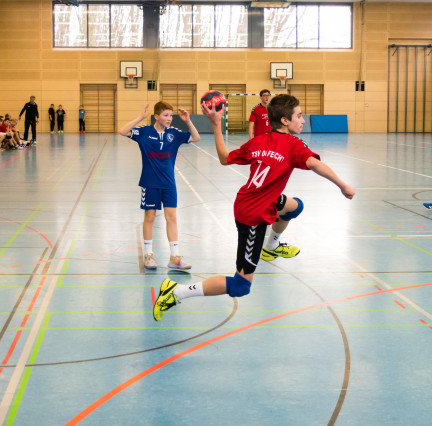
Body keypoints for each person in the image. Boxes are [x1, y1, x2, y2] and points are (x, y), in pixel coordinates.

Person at [152, 94, 356, 321]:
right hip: (252, 216)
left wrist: (216, 125)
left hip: (258, 199)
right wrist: (343, 184)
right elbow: (314, 163)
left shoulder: (259, 141)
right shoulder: (294, 145)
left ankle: (271, 247)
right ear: (285, 121)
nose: (303, 120)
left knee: (295, 207)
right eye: (299, 116)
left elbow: (224, 158)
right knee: (241, 285)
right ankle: (175, 292)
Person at [119, 101, 200, 271]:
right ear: (156, 116)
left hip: (169, 184)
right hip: (150, 183)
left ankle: (175, 257)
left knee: (172, 217)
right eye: (166, 115)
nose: (169, 119)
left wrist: (188, 121)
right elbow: (123, 131)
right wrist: (140, 117)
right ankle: (149, 255)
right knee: (149, 217)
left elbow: (196, 138)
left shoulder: (174, 134)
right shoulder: (144, 132)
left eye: (171, 115)